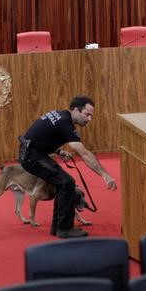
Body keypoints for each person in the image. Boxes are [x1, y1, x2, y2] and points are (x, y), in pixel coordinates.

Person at [18, 95, 117, 238]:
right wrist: (104, 175)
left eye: (91, 115)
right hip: (32, 157)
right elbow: (83, 153)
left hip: (32, 153)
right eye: (87, 114)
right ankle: (64, 228)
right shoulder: (65, 122)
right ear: (76, 110)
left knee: (64, 183)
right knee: (67, 183)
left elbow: (41, 135)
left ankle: (57, 227)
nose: (89, 119)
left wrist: (58, 150)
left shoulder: (60, 115)